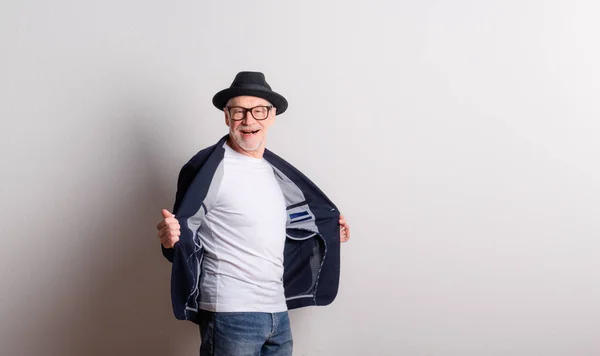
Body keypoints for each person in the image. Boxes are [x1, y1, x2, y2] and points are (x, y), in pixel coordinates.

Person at [156, 71, 350, 356]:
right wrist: (169, 239)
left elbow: (279, 232)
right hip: (230, 312)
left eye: (258, 111)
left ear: (271, 116)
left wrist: (330, 232)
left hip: (277, 311)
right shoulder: (205, 169)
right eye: (239, 111)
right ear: (226, 116)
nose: (248, 121)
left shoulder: (276, 173)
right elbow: (182, 236)